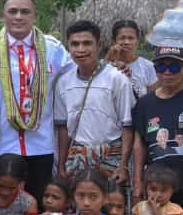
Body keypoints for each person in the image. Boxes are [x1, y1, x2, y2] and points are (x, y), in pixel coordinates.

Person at [0, 0, 74, 202]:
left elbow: (76, 79)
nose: (18, 17)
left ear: (35, 16)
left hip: (40, 144)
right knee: (0, 204)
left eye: (25, 12)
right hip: (0, 144)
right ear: (3, 15)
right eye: (13, 11)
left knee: (38, 204)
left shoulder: (53, 49)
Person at [131, 46, 183, 215]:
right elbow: (139, 143)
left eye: (174, 66)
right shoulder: (145, 103)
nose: (167, 72)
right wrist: (138, 181)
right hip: (156, 188)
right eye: (161, 66)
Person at [55, 20, 134, 180]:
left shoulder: (117, 78)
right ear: (68, 47)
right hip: (77, 159)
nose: (81, 49)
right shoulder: (63, 83)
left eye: (87, 43)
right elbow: (63, 128)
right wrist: (62, 166)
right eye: (75, 44)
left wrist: (123, 165)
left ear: (98, 45)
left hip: (112, 158)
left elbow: (128, 125)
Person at [109, 20, 157, 99]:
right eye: (122, 38)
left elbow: (152, 99)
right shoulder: (105, 66)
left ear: (137, 41)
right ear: (114, 41)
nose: (126, 42)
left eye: (131, 38)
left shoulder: (148, 67)